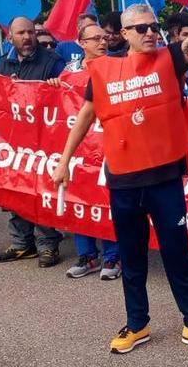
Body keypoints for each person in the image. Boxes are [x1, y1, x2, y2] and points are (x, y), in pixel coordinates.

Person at [53, 0, 188, 355]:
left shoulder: (170, 59)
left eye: (154, 26)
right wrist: (64, 159)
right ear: (125, 33)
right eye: (142, 28)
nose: (151, 33)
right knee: (132, 258)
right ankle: (137, 324)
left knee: (177, 255)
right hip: (123, 182)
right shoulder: (103, 71)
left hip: (165, 180)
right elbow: (86, 115)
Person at [0, 16, 66, 267]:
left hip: (42, 140)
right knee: (15, 191)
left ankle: (48, 245)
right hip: (12, 140)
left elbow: (66, 98)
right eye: (21, 33)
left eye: (31, 32)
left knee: (40, 192)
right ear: (10, 37)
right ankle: (22, 244)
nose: (27, 37)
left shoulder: (53, 62)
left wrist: (57, 85)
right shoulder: (0, 64)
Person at [60, 22, 122, 280]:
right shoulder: (68, 71)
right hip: (79, 147)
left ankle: (113, 257)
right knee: (79, 199)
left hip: (107, 146)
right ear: (81, 43)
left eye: (104, 37)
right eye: (94, 38)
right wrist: (53, 86)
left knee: (106, 201)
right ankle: (87, 255)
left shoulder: (117, 68)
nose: (102, 42)